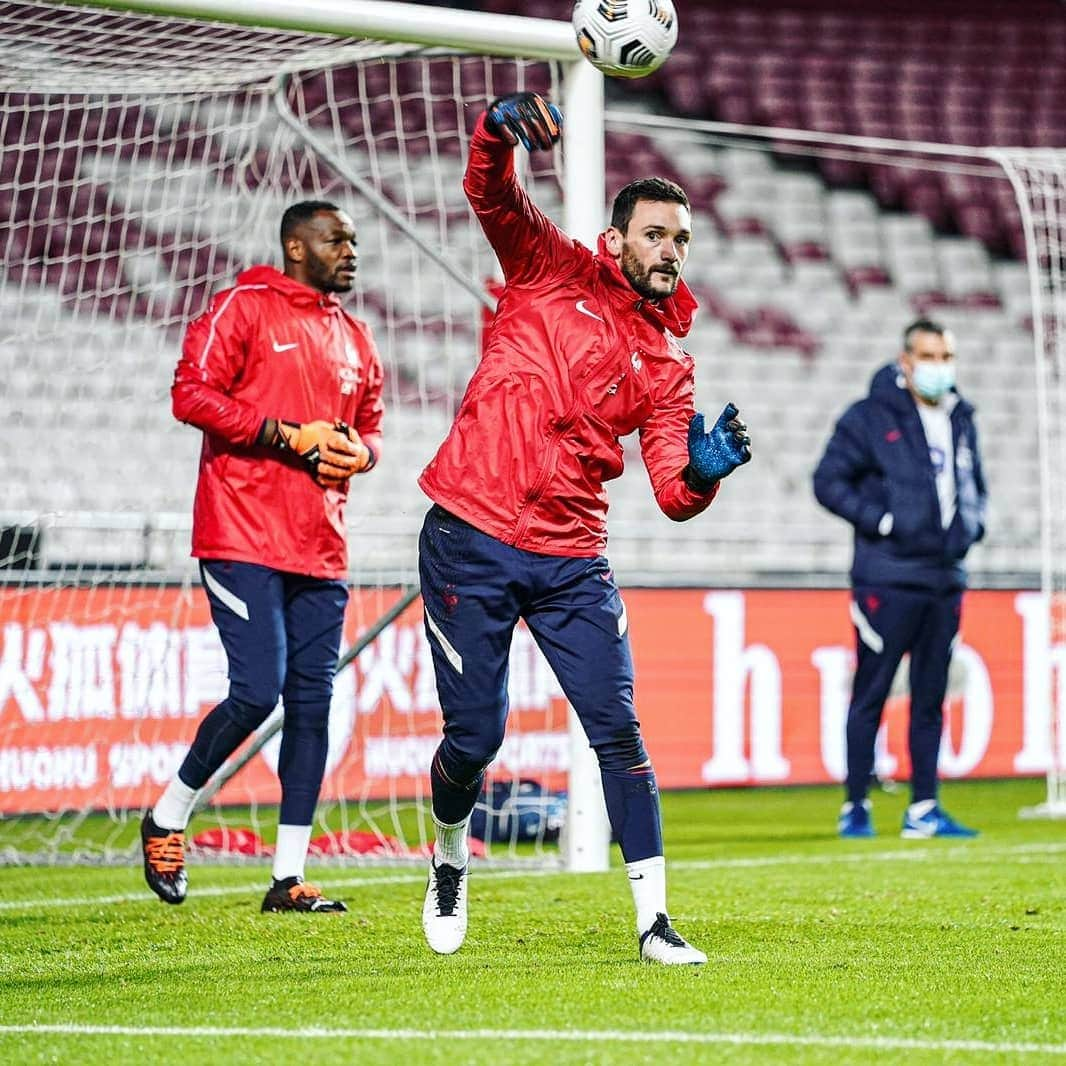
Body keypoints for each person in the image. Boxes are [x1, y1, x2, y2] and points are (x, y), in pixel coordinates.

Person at [416, 93, 751, 964]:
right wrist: (495, 130)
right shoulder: (547, 267)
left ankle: (654, 921)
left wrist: (705, 474)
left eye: (681, 238)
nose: (671, 250)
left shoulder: (671, 364)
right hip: (471, 535)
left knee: (619, 727)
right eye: (655, 234)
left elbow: (673, 492)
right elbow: (492, 196)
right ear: (616, 240)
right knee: (475, 738)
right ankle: (450, 855)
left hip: (571, 557)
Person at [140, 200, 384, 912]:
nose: (350, 247)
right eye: (335, 237)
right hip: (240, 532)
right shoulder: (243, 308)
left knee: (313, 706)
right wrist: (285, 434)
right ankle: (169, 814)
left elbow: (371, 430)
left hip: (320, 544)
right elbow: (190, 394)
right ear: (295, 245)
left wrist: (359, 453)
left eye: (353, 239)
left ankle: (288, 877)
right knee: (257, 690)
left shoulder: (357, 338)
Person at [813, 318, 987, 840]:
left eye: (945, 356)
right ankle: (856, 805)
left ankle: (925, 808)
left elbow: (974, 482)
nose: (939, 367)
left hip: (944, 577)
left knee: (932, 695)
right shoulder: (869, 417)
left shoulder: (961, 417)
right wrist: (883, 522)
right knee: (872, 692)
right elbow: (827, 481)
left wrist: (974, 525)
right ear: (906, 361)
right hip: (887, 577)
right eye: (929, 356)